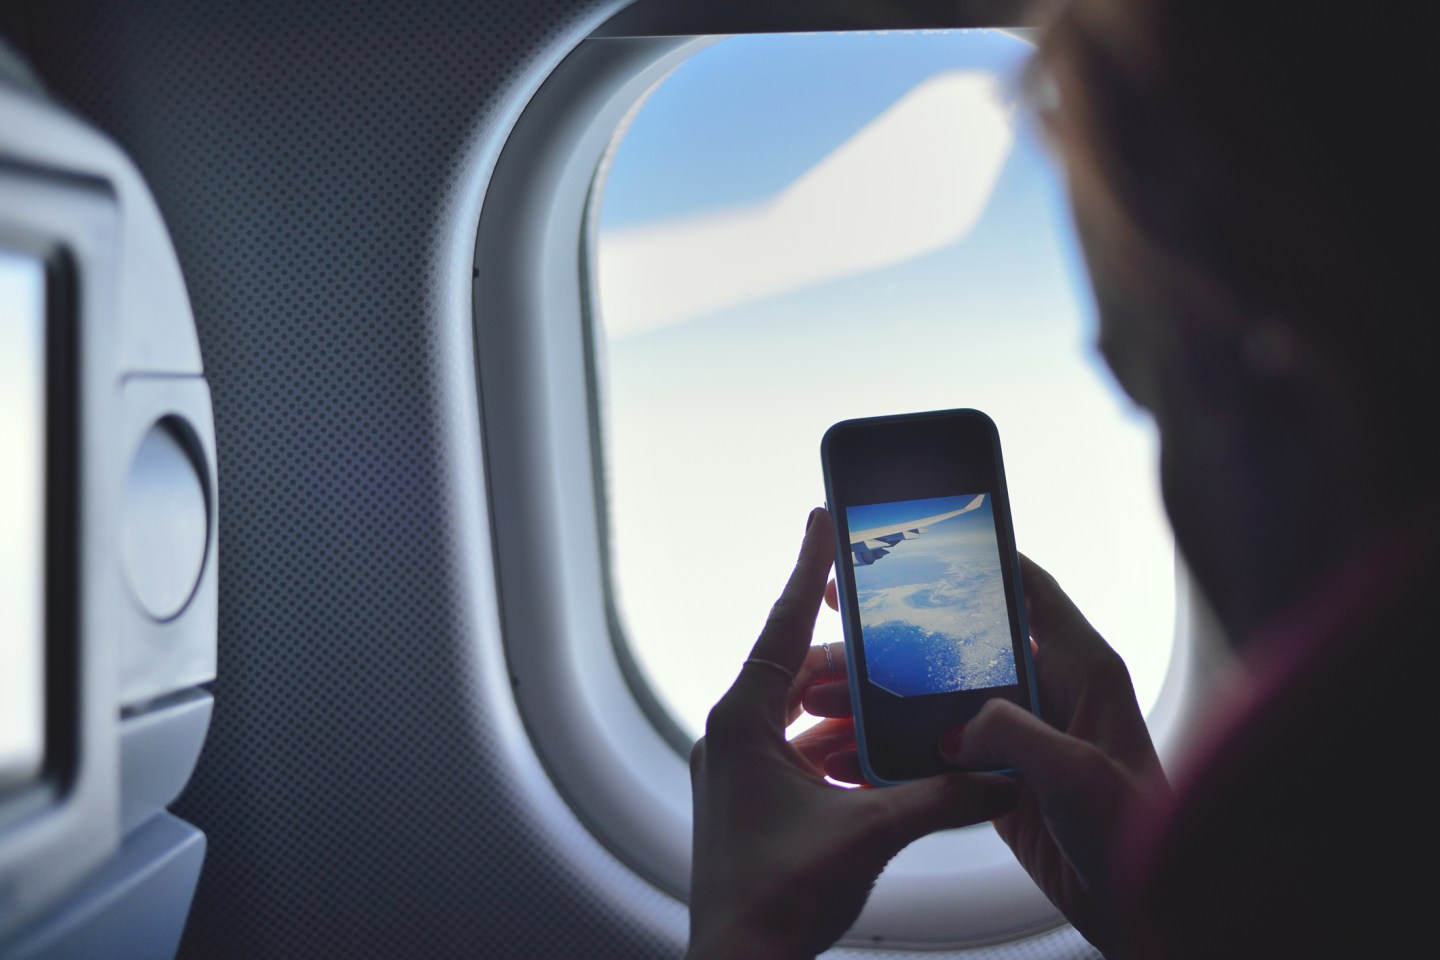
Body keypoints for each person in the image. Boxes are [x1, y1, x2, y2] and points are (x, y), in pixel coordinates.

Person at [686, 1, 1430, 957]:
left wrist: (753, 931)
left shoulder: (1287, 846)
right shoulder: (1363, 833)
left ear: (1284, 386)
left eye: (1154, 398)